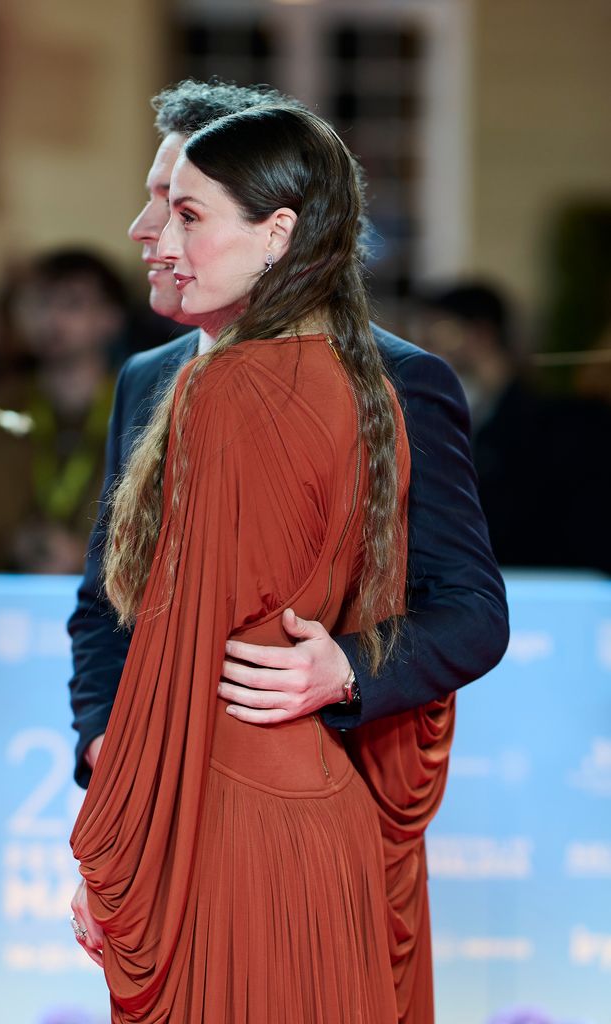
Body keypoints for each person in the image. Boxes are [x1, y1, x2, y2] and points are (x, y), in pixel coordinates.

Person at [68, 81, 508, 1021]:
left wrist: (342, 668)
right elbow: (111, 603)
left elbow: (470, 610)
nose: (149, 231)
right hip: (234, 790)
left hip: (268, 787)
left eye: (181, 206)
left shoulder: (391, 379)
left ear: (276, 228)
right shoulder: (159, 377)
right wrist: (112, 747)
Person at [416, 280, 611, 573]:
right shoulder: (471, 412)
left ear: (481, 333)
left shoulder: (546, 425)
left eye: (440, 333)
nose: (426, 347)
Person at [0, 248, 128, 572]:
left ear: (111, 319)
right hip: (9, 590)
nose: (52, 319)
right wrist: (13, 544)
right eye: (41, 303)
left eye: (72, 304)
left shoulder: (141, 406)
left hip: (111, 604)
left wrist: (87, 557)